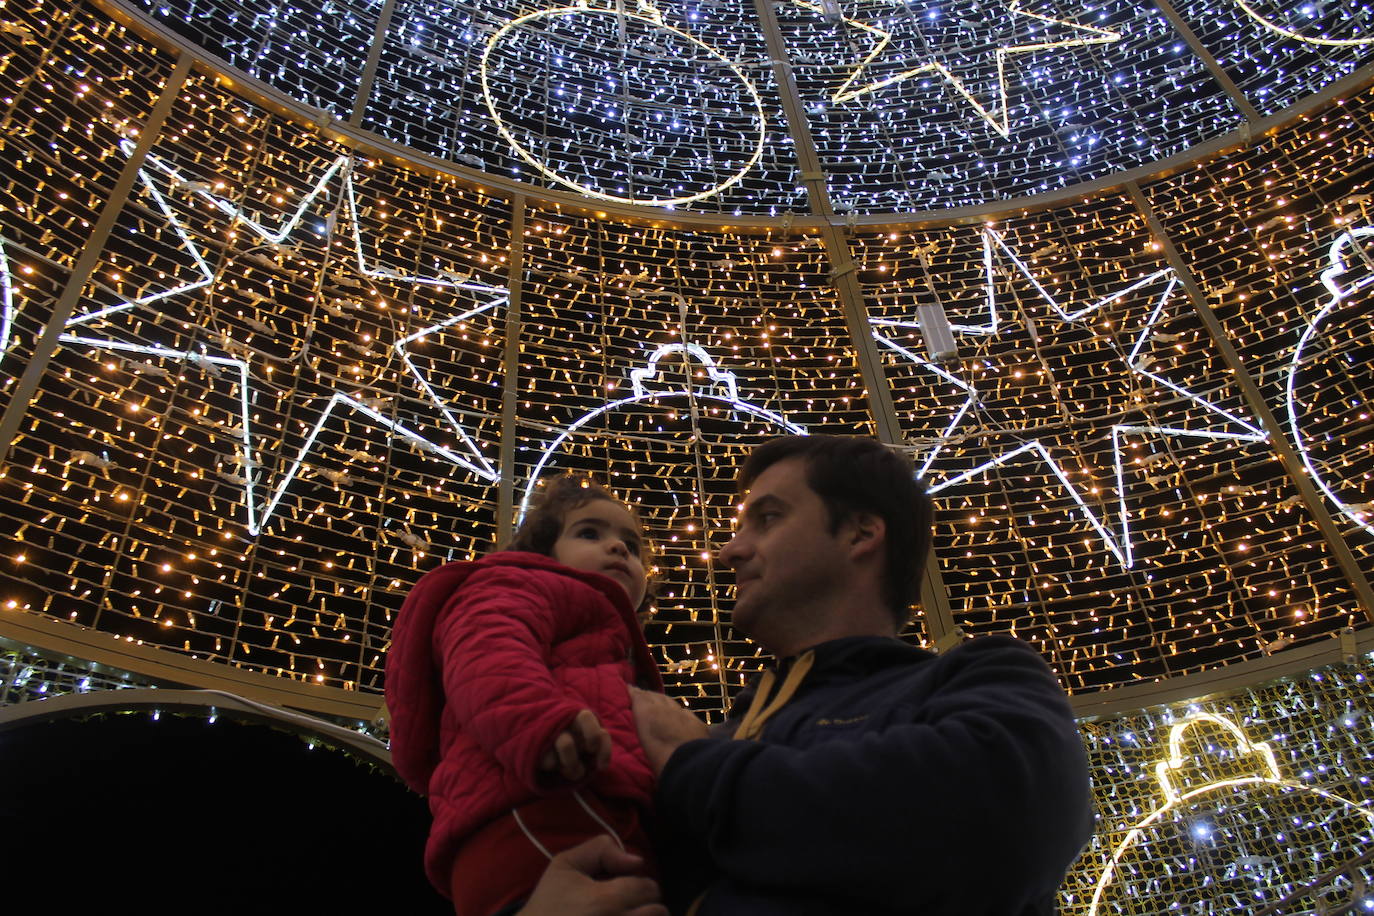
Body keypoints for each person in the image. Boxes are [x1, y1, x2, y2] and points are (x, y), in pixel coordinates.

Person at [522, 434, 1093, 915]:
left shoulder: (980, 678)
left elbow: (998, 822)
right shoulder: (713, 735)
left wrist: (689, 763)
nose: (730, 552)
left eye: (767, 518)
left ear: (860, 534)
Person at [385, 474, 667, 916]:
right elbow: (487, 649)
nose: (619, 549)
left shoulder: (616, 643)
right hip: (533, 810)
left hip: (587, 812)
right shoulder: (517, 583)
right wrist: (540, 721)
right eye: (589, 533)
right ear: (542, 552)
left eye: (631, 545)